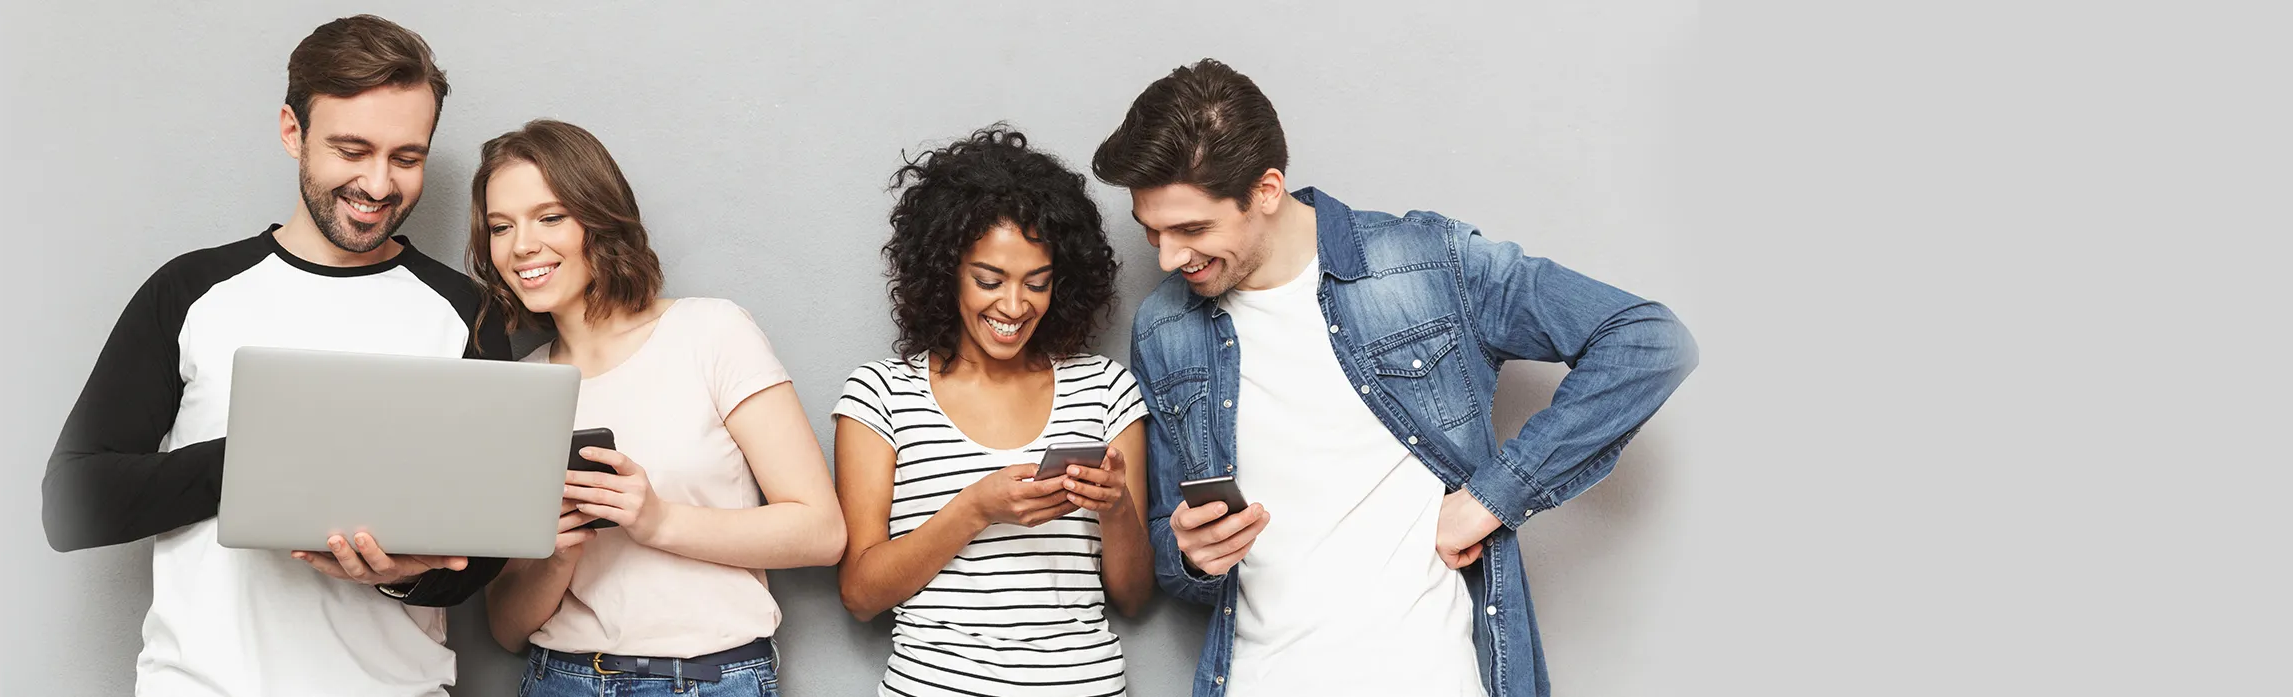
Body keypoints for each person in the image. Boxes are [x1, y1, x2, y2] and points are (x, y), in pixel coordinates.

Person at [1093, 59, 1698, 697]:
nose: (1167, 257)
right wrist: (1190, 553)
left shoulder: (1426, 264)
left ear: (1267, 190)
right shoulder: (1165, 328)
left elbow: (1647, 340)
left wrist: (1491, 499)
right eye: (1152, 231)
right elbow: (1166, 540)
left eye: (1191, 229)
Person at [38, 16, 530, 697]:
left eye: (407, 157)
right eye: (351, 149)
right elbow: (71, 504)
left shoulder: (463, 313)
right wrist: (263, 464)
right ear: (292, 132)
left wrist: (404, 574)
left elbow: (486, 549)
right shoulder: (189, 290)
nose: (380, 184)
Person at [465, 119, 844, 697]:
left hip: (712, 679)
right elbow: (506, 628)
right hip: (560, 679)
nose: (522, 246)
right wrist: (558, 558)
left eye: (550, 217)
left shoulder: (711, 332)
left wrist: (658, 521)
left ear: (599, 218)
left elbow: (821, 532)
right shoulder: (521, 389)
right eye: (500, 226)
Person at [825, 124, 1159, 697]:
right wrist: (975, 509)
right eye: (989, 279)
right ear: (946, 269)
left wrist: (1117, 506)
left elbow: (1132, 597)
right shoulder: (882, 395)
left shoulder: (1103, 388)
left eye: (1037, 283)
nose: (1013, 305)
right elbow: (860, 594)